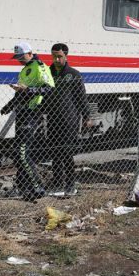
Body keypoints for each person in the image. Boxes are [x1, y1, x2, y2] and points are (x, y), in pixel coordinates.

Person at [0, 42, 55, 201]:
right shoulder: (24, 70)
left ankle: (37, 186)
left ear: (30, 53)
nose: (19, 60)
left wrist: (28, 90)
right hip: (22, 112)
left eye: (21, 57)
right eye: (17, 57)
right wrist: (8, 106)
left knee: (22, 152)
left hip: (33, 112)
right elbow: (20, 93)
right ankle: (24, 187)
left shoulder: (40, 67)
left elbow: (50, 89)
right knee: (21, 152)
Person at [47, 43, 90, 193]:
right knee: (55, 153)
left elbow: (81, 98)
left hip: (69, 121)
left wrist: (86, 116)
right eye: (54, 56)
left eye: (59, 56)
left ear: (66, 56)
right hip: (52, 119)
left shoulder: (73, 74)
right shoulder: (48, 73)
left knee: (66, 153)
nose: (56, 59)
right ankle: (57, 181)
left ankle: (70, 184)